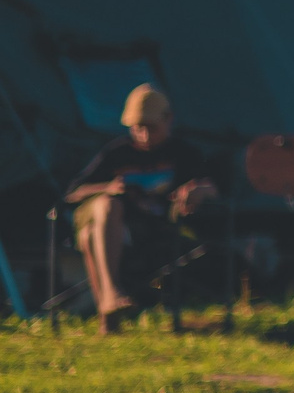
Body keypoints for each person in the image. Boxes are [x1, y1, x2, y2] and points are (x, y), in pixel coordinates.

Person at [63, 85, 221, 332]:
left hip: (149, 230)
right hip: (105, 217)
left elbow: (215, 187)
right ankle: (112, 294)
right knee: (107, 204)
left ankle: (108, 310)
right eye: (139, 129)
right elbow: (72, 193)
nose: (145, 136)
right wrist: (108, 187)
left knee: (89, 236)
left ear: (169, 119)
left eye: (151, 128)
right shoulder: (117, 153)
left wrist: (199, 190)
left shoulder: (183, 153)